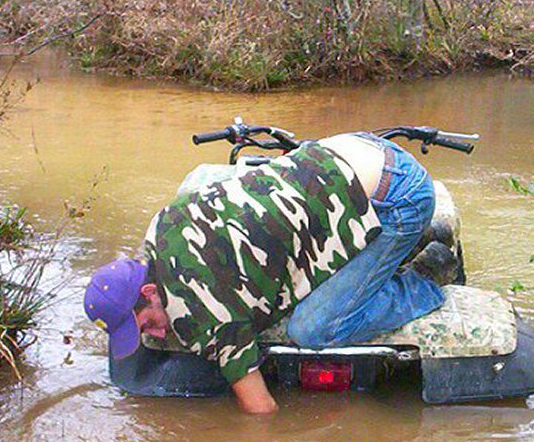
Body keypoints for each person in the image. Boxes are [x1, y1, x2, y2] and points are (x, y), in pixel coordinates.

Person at [84, 131, 458, 414]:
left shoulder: (207, 315)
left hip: (400, 196)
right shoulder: (161, 226)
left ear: (150, 291)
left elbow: (261, 410)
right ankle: (416, 239)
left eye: (147, 323)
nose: (156, 333)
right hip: (352, 151)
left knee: (313, 329)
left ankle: (426, 274)